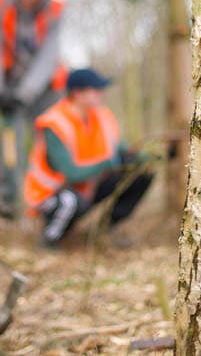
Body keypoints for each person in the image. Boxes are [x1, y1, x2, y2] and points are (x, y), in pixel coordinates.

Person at [23, 69, 154, 249]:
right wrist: (110, 162)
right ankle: (50, 237)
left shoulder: (100, 116)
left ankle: (106, 229)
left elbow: (117, 147)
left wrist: (146, 157)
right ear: (78, 93)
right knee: (69, 201)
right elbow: (71, 174)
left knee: (141, 175)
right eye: (96, 90)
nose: (102, 94)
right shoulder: (54, 124)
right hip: (51, 195)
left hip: (87, 189)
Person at [0, 0, 69, 220]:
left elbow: (47, 58)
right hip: (10, 86)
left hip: (45, 88)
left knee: (49, 140)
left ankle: (53, 198)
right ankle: (9, 199)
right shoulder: (1, 5)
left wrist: (25, 92)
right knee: (9, 140)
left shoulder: (54, 11)